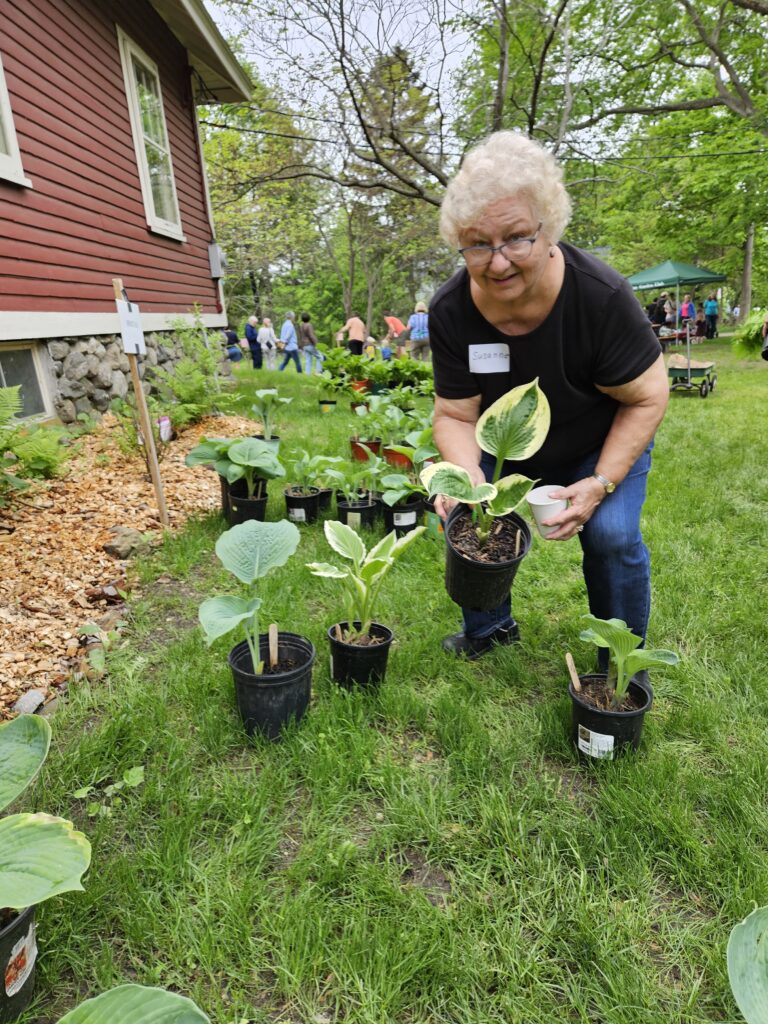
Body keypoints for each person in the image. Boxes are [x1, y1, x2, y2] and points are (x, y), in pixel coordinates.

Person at [430, 131, 668, 659]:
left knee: (612, 537)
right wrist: (468, 478)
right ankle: (489, 630)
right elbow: (453, 414)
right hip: (509, 445)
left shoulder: (600, 298)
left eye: (516, 238)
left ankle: (623, 661)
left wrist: (599, 483)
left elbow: (647, 397)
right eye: (476, 243)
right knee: (467, 516)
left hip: (598, 439)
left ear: (550, 228)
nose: (497, 262)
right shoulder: (449, 311)